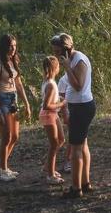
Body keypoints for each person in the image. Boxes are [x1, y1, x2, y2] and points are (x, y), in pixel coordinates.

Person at [51, 33, 96, 199]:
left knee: (76, 148)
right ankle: (85, 183)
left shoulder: (79, 60)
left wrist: (67, 66)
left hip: (82, 107)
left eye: (58, 52)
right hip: (78, 106)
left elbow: (78, 86)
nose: (56, 55)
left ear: (67, 50)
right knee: (83, 146)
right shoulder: (72, 59)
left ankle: (76, 189)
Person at [0, 34, 31, 182]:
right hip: (3, 100)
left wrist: (26, 103)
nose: (13, 49)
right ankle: (3, 170)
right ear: (4, 46)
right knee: (6, 136)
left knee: (15, 136)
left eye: (15, 46)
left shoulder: (14, 61)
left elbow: (19, 85)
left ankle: (2, 167)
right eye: (10, 46)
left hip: (14, 100)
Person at [39, 56, 67, 185]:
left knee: (61, 140)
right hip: (48, 115)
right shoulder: (50, 84)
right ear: (55, 68)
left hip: (53, 115)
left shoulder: (50, 82)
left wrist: (58, 101)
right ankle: (50, 175)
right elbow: (46, 105)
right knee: (54, 144)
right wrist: (61, 105)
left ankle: (47, 167)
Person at [57, 73, 72, 173]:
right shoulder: (63, 80)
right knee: (71, 137)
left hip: (79, 108)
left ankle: (74, 159)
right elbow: (60, 98)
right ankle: (67, 161)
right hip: (69, 110)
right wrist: (65, 114)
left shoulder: (79, 74)